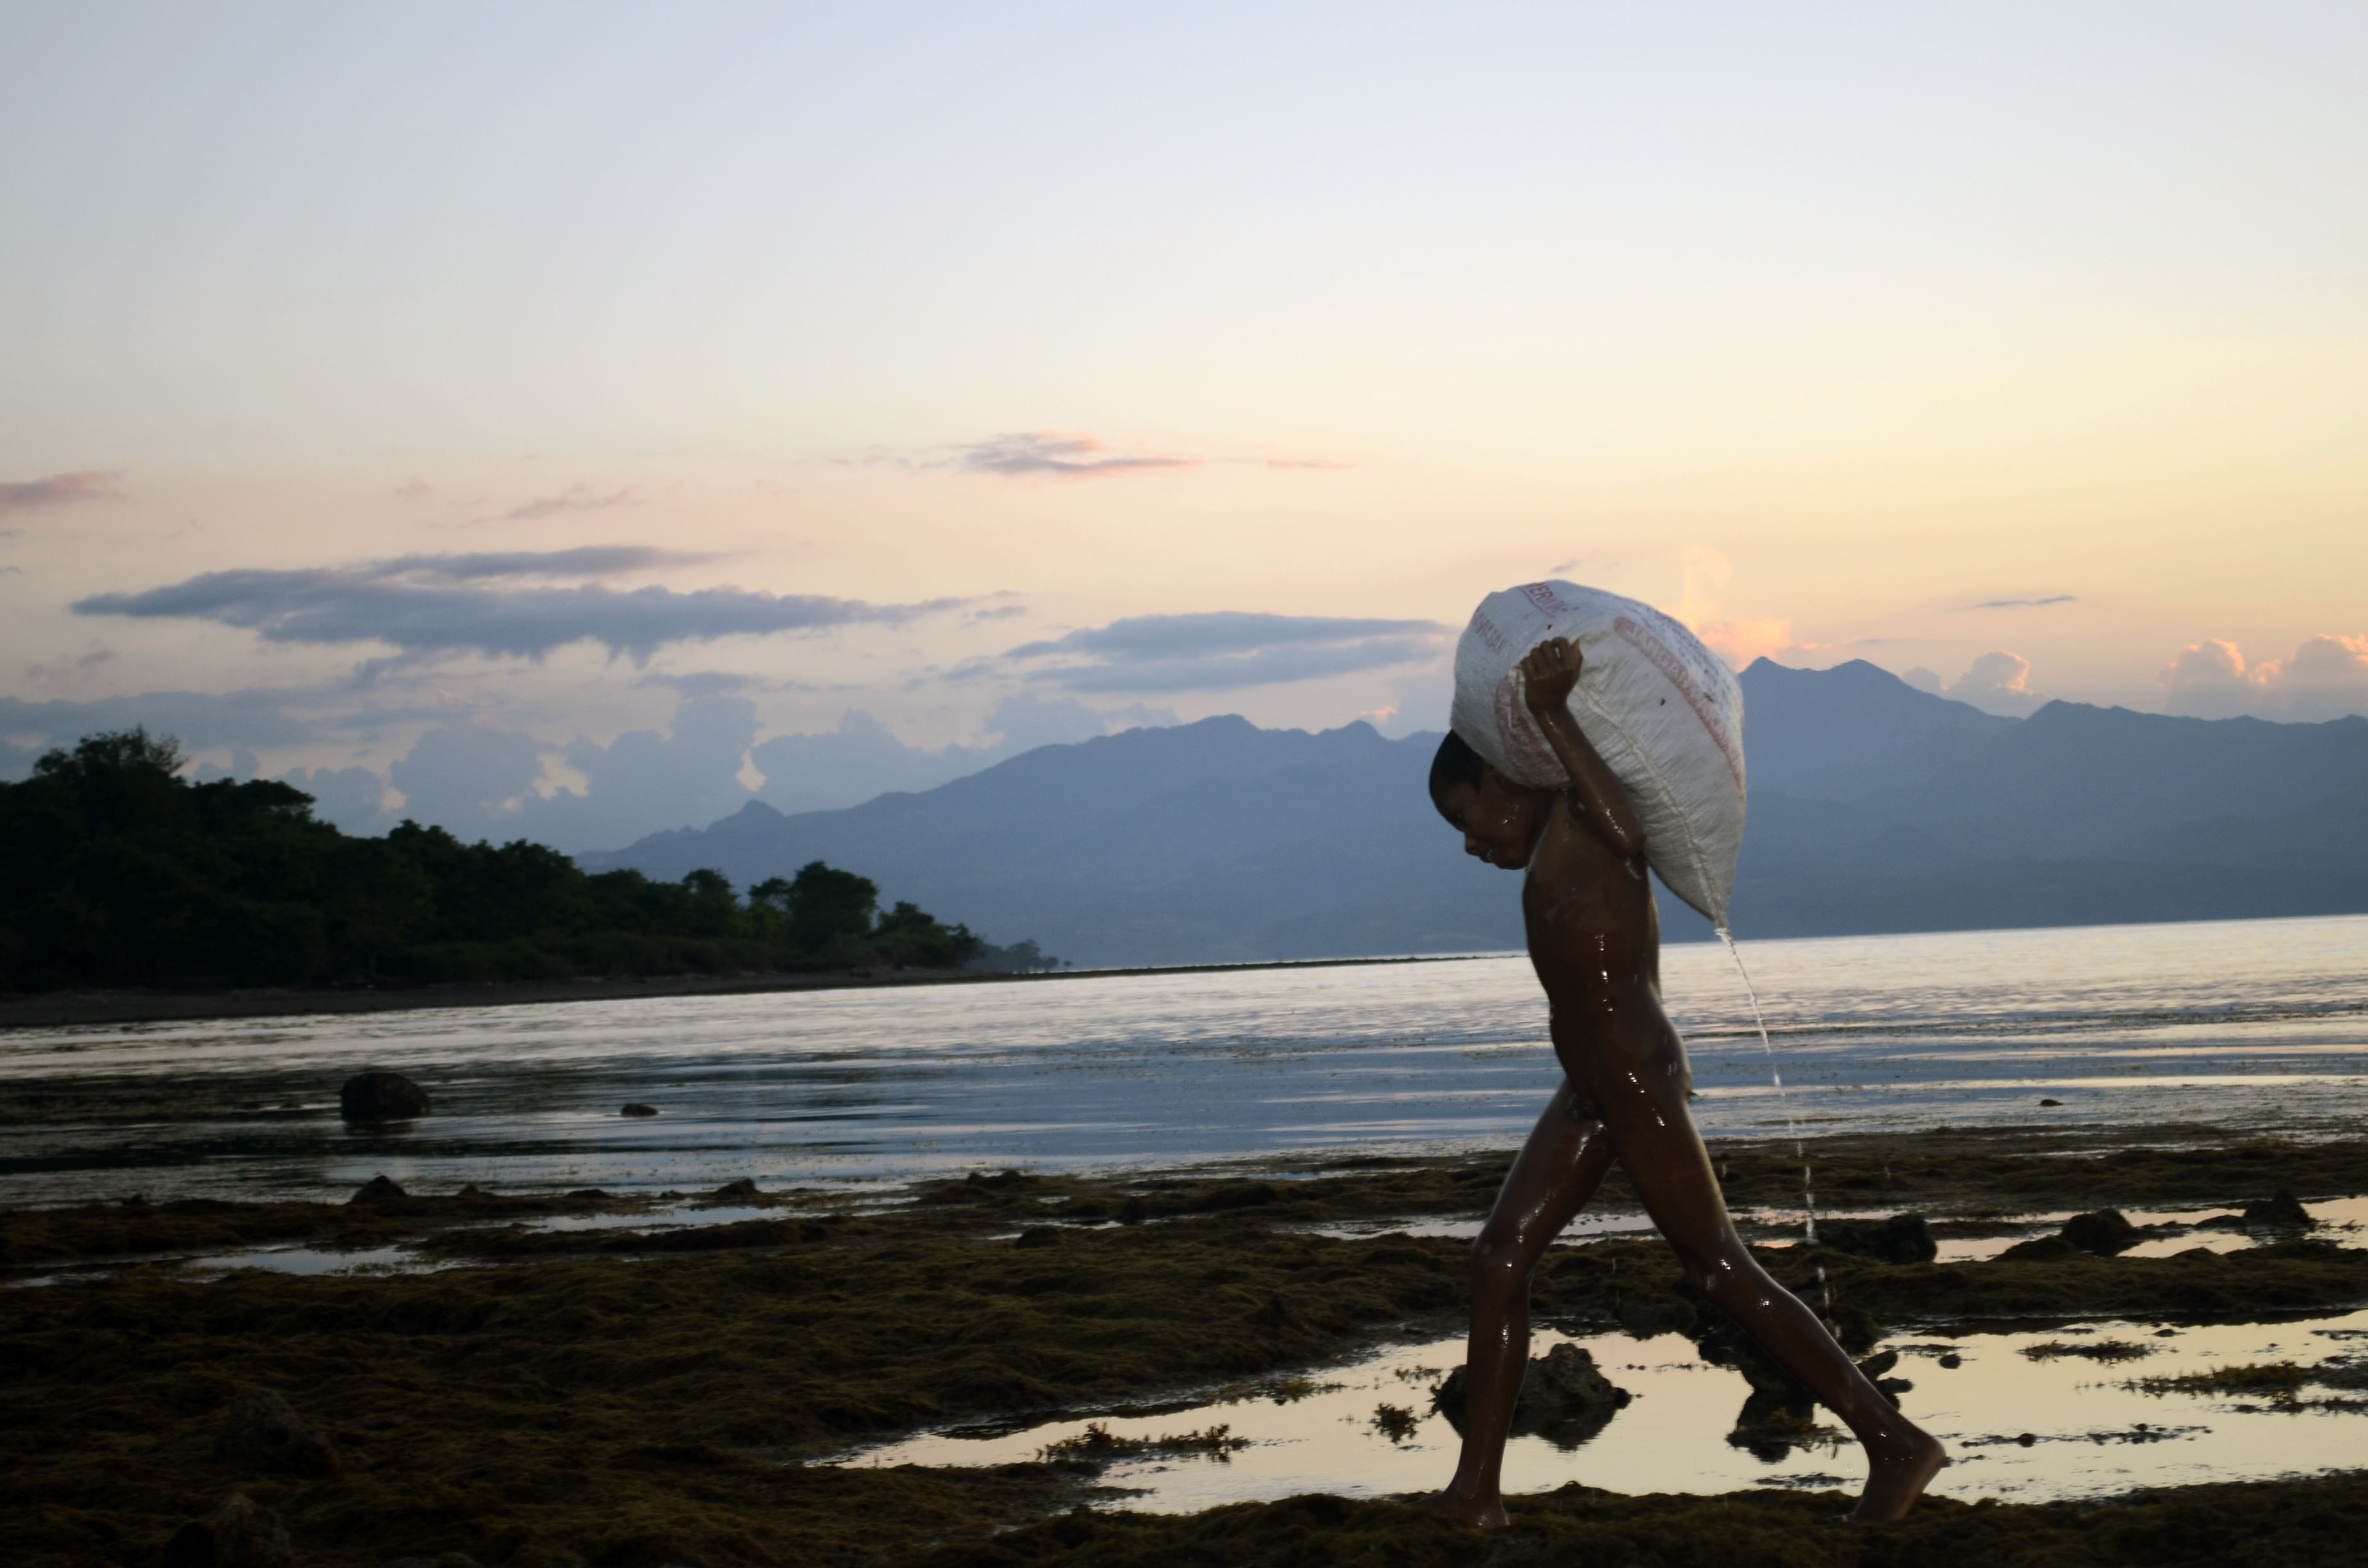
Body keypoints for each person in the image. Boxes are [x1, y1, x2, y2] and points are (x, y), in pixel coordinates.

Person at [1416, 635, 1944, 1529]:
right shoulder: (1550, 845)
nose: (1470, 843)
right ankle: (1477, 1494)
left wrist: (1550, 712)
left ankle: (1894, 1443)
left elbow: (1630, 831)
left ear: (1506, 779)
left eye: (1468, 817)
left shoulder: (1582, 819)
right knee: (1498, 1259)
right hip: (1591, 1087)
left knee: (1718, 1268)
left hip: (1631, 1076)